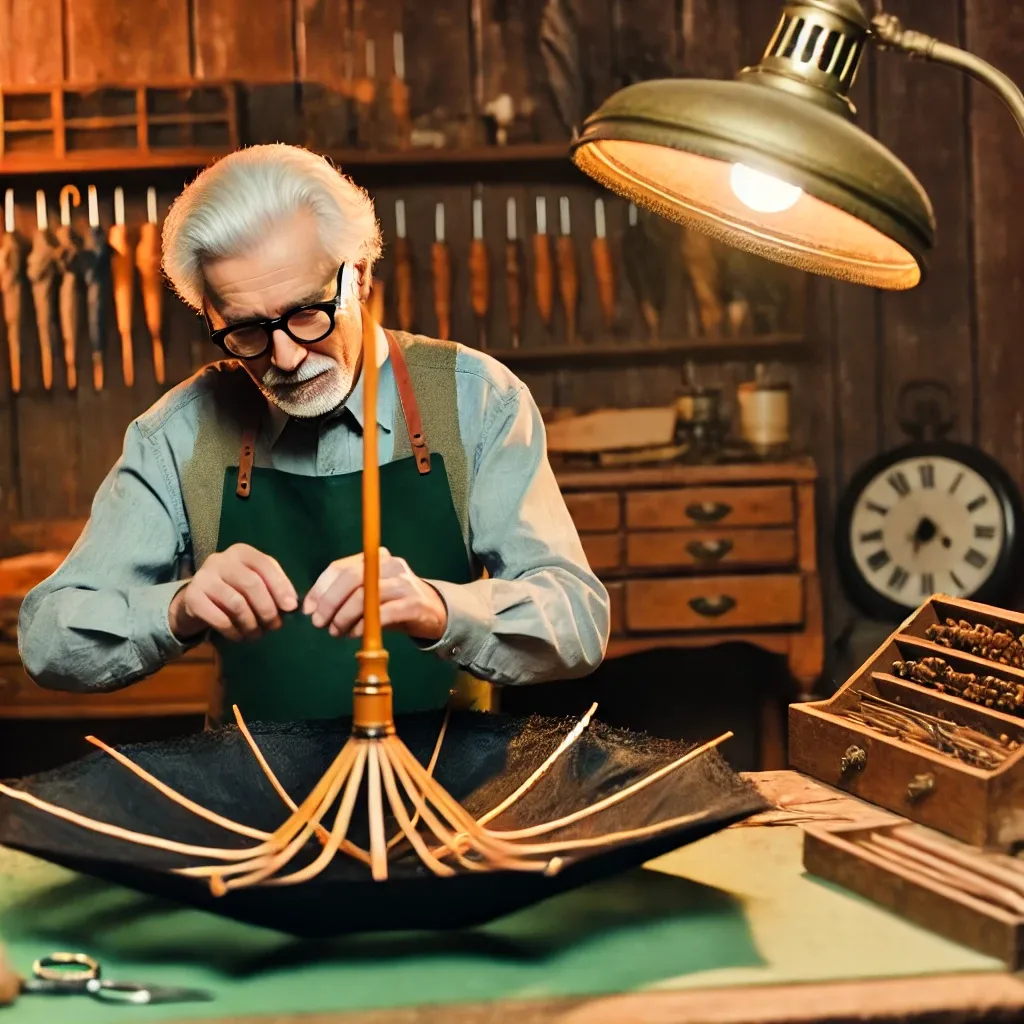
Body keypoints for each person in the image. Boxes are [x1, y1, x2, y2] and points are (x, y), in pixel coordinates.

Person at [17, 144, 610, 722]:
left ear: (358, 275)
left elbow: (578, 622)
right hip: (256, 791)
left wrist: (439, 607)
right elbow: (47, 638)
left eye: (306, 312)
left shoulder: (477, 399)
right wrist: (176, 607)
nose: (285, 356)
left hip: (448, 784)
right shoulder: (178, 433)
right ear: (211, 317)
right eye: (246, 330)